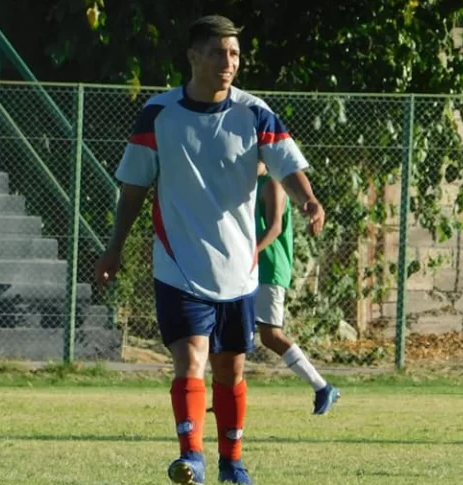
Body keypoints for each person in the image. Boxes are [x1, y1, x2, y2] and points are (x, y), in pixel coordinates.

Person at [95, 14, 325, 485]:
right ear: (193, 56)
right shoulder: (158, 115)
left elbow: (285, 166)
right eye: (219, 52)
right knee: (191, 358)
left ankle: (232, 462)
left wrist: (309, 200)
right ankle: (191, 457)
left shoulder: (255, 113)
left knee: (231, 370)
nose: (229, 62)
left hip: (238, 268)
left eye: (235, 54)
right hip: (178, 263)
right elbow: (134, 189)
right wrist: (114, 247)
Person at [255, 161, 340, 415]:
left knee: (271, 335)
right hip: (249, 269)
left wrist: (249, 253)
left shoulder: (271, 184)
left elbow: (275, 227)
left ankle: (322, 387)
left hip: (268, 267)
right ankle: (226, 397)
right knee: (229, 332)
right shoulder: (244, 186)